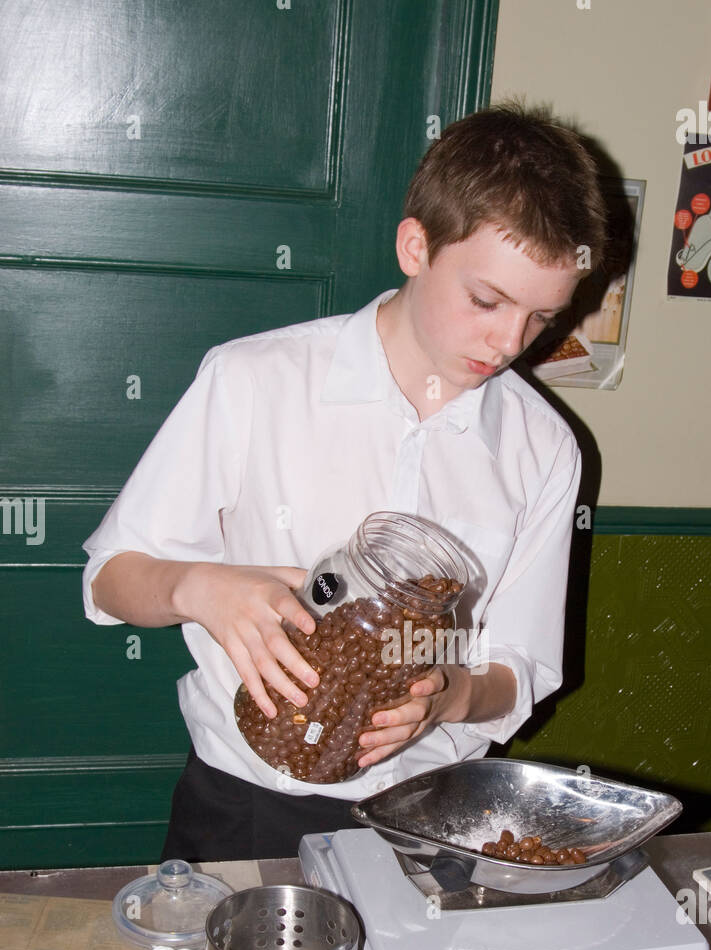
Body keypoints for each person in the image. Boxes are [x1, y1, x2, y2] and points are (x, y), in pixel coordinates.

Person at [82, 103, 607, 861]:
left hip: (434, 819)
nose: (508, 342)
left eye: (540, 318)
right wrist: (199, 586)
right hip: (245, 804)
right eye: (487, 301)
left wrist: (450, 698)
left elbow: (519, 667)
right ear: (415, 245)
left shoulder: (545, 448)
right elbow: (110, 579)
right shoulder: (253, 380)